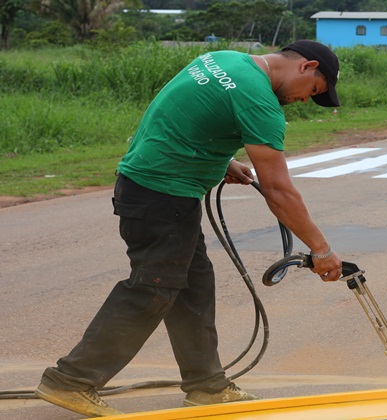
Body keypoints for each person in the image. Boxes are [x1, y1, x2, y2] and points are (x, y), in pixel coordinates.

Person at [34, 40, 344, 417]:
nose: (304, 100)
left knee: (193, 288)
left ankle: (206, 386)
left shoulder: (223, 60)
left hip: (152, 187)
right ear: (306, 66)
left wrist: (223, 160)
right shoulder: (259, 100)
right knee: (153, 289)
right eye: (313, 90)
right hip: (162, 196)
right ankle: (71, 380)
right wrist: (322, 250)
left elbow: (181, 114)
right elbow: (278, 190)